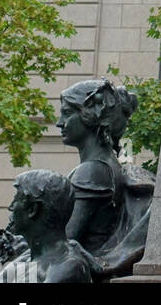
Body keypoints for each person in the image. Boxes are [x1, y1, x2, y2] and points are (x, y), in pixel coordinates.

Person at [57, 77, 154, 279]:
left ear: (90, 116)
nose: (59, 123)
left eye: (67, 113)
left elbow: (60, 246)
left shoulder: (92, 171)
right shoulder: (104, 166)